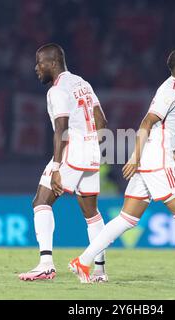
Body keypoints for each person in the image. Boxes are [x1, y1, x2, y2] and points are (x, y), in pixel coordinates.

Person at [68, 49, 175, 287]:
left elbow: (158, 129)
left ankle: (83, 261)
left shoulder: (174, 90)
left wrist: (172, 152)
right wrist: (135, 156)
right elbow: (147, 121)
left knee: (127, 218)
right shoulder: (172, 90)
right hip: (156, 160)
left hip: (155, 158)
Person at [19, 43, 109, 282]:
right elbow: (102, 122)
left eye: (39, 63)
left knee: (41, 201)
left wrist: (58, 167)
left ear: (53, 63)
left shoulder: (57, 90)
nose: (36, 68)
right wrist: (91, 147)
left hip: (72, 149)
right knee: (92, 213)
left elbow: (61, 127)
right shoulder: (83, 83)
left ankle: (46, 264)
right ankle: (99, 271)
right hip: (92, 150)